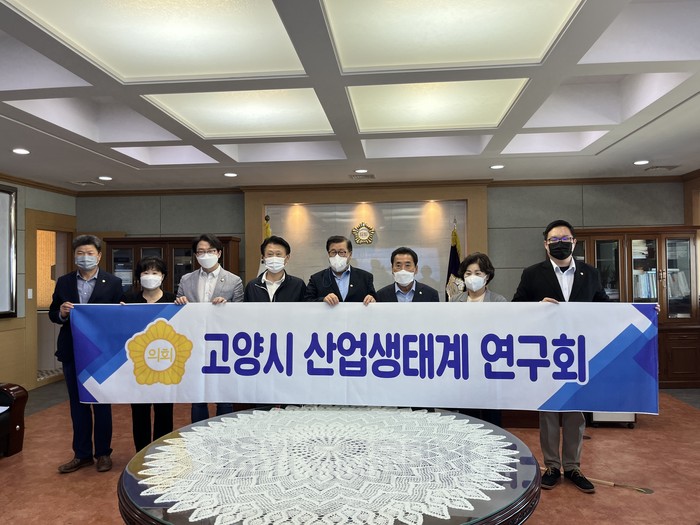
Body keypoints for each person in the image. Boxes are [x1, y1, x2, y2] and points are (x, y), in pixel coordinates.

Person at [512, 219, 608, 494]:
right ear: (546, 244)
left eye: (565, 239)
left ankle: (573, 466)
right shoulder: (532, 274)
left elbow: (606, 307)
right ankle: (552, 466)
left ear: (574, 242)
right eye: (554, 240)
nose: (560, 244)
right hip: (547, 353)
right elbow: (516, 307)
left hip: (578, 352)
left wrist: (642, 312)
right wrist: (536, 306)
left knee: (576, 412)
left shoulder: (590, 273)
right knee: (549, 412)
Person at [49, 234, 123, 473]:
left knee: (101, 403)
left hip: (101, 354)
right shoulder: (64, 282)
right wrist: (61, 313)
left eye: (90, 253)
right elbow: (53, 313)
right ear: (74, 256)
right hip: (72, 350)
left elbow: (120, 316)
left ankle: (103, 453)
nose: (85, 257)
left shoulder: (113, 283)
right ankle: (81, 454)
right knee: (77, 404)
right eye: (80, 253)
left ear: (99, 256)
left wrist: (121, 312)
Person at [175, 233, 244, 423]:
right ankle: (198, 432)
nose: (205, 255)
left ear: (219, 253)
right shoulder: (186, 280)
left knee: (224, 397)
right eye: (201, 251)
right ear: (195, 255)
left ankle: (224, 433)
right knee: (198, 396)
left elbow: (241, 314)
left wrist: (227, 306)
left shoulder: (234, 280)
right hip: (195, 343)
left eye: (210, 251)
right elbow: (178, 313)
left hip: (223, 344)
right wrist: (180, 302)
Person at [121, 256, 176, 451]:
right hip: (139, 366)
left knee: (164, 412)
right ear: (138, 276)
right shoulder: (129, 300)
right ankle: (141, 453)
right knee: (139, 412)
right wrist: (118, 314)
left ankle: (161, 453)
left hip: (166, 364)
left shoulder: (173, 300)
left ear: (163, 276)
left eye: (155, 272)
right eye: (146, 272)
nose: (150, 276)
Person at [448, 252, 506, 426]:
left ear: (487, 276)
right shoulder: (454, 301)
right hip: (464, 365)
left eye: (477, 273)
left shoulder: (498, 301)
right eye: (468, 273)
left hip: (490, 365)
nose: (472, 277)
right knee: (467, 416)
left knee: (491, 415)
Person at [304, 235, 376, 305]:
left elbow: (375, 300)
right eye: (333, 252)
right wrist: (323, 300)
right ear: (328, 254)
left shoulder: (365, 277)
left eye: (341, 252)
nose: (337, 256)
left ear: (350, 254)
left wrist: (372, 299)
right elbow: (306, 302)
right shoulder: (316, 279)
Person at [244, 235, 306, 302]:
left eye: (278, 254)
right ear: (263, 257)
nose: (274, 258)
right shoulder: (252, 286)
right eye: (270, 254)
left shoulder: (298, 285)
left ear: (287, 258)